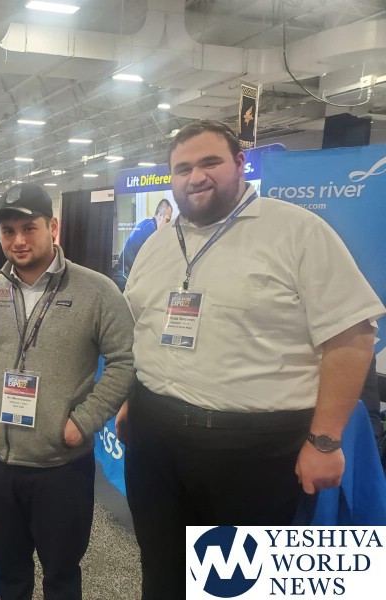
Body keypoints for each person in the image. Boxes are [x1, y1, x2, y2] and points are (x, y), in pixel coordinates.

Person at [120, 120, 385, 599]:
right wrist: (128, 404)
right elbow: (141, 331)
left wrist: (325, 441)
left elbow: (352, 337)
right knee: (161, 570)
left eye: (210, 162)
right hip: (155, 437)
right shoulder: (157, 244)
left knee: (236, 585)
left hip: (255, 450)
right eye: (183, 168)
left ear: (240, 164)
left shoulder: (297, 231)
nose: (195, 177)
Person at [0, 183, 135, 600]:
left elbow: (125, 361)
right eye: (8, 231)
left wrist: (84, 421)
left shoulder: (96, 291)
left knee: (61, 575)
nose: (18, 241)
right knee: (9, 574)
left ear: (53, 228)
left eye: (29, 228)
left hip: (61, 466)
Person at [114, 199, 172, 291]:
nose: (168, 225)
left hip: (125, 275)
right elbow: (155, 261)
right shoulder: (150, 229)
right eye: (167, 220)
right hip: (125, 277)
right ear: (161, 216)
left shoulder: (147, 225)